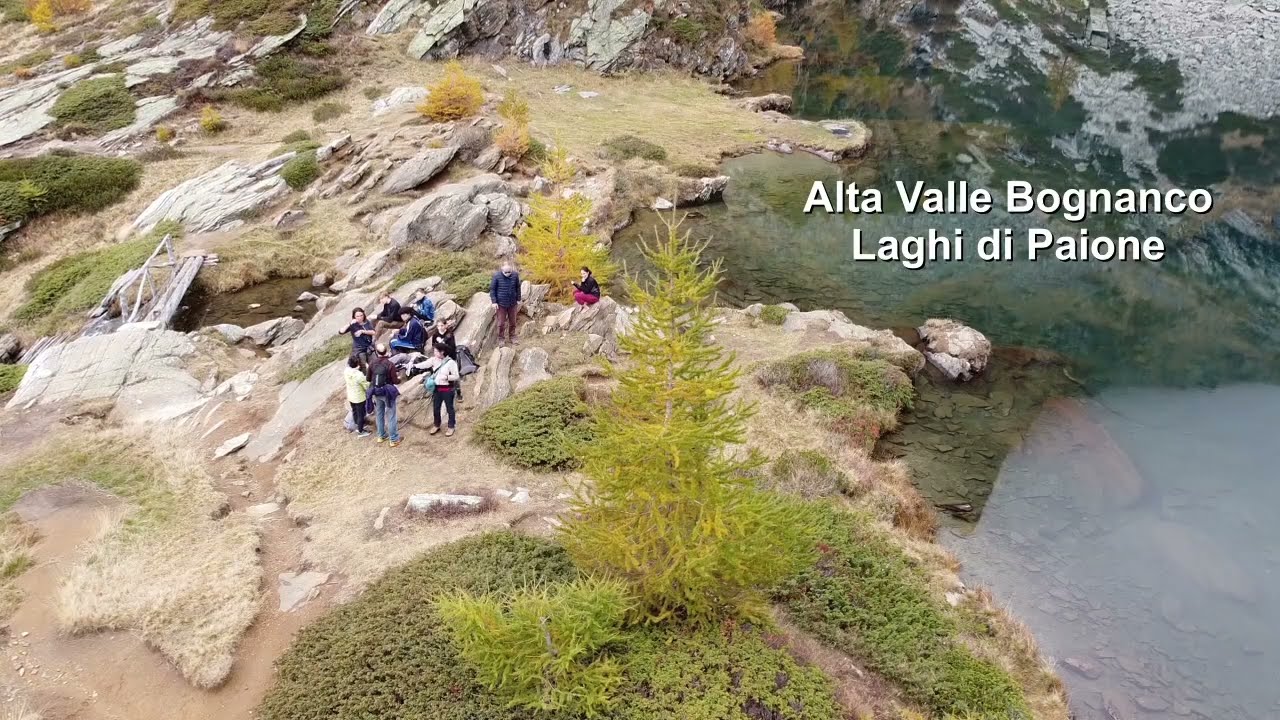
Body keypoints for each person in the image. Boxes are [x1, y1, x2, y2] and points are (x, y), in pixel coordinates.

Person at [366, 342, 401, 447]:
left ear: (377, 353)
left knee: (380, 414)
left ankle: (381, 435)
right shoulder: (390, 364)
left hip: (376, 392)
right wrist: (398, 378)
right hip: (387, 393)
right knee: (391, 415)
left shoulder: (372, 363)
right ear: (387, 352)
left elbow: (368, 378)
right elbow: (395, 381)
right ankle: (393, 439)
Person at [425, 345, 461, 437]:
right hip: (437, 388)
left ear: (442, 352)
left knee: (449, 408)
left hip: (447, 388)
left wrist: (447, 377)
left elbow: (456, 376)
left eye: (436, 351)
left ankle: (451, 426)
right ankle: (436, 424)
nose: (434, 353)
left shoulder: (451, 363)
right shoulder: (435, 361)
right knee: (436, 408)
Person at [427, 317, 462, 401]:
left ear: (445, 325)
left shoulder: (450, 334)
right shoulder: (435, 335)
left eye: (442, 325)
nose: (440, 327)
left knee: (453, 376)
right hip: (439, 359)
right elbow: (434, 346)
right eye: (438, 326)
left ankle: (458, 392)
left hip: (450, 358)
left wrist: (443, 344)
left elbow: (452, 347)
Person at [490, 261, 522, 346]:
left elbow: (518, 287)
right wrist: (494, 302)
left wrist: (518, 298)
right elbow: (492, 289)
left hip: (512, 303)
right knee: (501, 323)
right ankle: (501, 339)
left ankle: (512, 336)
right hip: (501, 304)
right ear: (502, 270)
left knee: (513, 322)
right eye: (506, 272)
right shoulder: (496, 276)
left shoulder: (515, 275)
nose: (508, 274)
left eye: (509, 272)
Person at [344, 355, 371, 437]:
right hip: (359, 398)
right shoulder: (359, 375)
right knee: (361, 414)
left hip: (351, 396)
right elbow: (366, 386)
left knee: (355, 411)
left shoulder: (346, 371)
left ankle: (358, 425)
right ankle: (361, 431)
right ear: (357, 364)